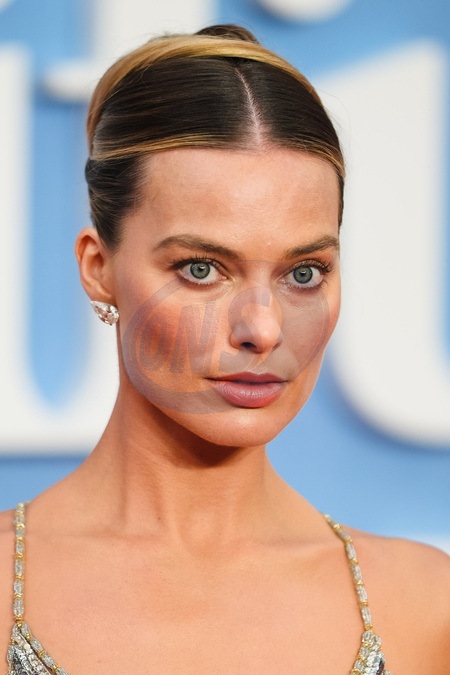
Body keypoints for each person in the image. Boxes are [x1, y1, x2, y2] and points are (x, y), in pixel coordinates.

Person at [0, 23, 449, 675]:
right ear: (98, 268)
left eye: (303, 273)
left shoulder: (423, 606)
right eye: (202, 269)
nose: (262, 329)